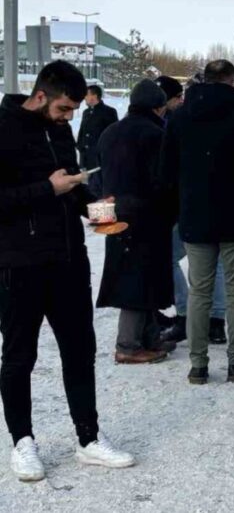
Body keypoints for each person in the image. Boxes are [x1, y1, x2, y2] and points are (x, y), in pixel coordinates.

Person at [0, 61, 135, 482]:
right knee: (19, 356)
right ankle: (23, 443)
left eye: (74, 110)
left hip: (69, 261)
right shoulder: (3, 128)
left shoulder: (59, 131)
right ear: (40, 96)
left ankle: (89, 439)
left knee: (80, 351)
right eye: (63, 108)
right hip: (17, 263)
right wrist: (48, 189)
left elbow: (70, 186)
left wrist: (95, 209)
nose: (69, 117)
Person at [162, 59, 234, 386]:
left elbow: (165, 171)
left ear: (205, 81)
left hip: (195, 216)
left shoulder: (179, 117)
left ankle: (198, 365)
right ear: (233, 82)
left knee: (199, 291)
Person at [95, 80, 176, 364]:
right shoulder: (155, 134)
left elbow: (98, 177)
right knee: (140, 280)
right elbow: (163, 181)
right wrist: (172, 212)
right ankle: (128, 345)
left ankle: (149, 338)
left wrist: (100, 214)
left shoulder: (109, 132)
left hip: (112, 213)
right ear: (158, 107)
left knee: (129, 275)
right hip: (147, 217)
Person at [158, 77, 229, 347]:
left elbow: (167, 171)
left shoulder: (179, 123)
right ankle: (216, 323)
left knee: (177, 260)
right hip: (220, 205)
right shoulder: (231, 118)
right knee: (219, 264)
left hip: (187, 207)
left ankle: (187, 316)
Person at [76, 84, 118, 196]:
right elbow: (82, 132)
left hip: (101, 161)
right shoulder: (86, 113)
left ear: (94, 96)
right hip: (86, 161)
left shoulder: (109, 112)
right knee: (87, 192)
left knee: (100, 192)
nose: (84, 97)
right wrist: (80, 146)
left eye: (86, 95)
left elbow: (113, 135)